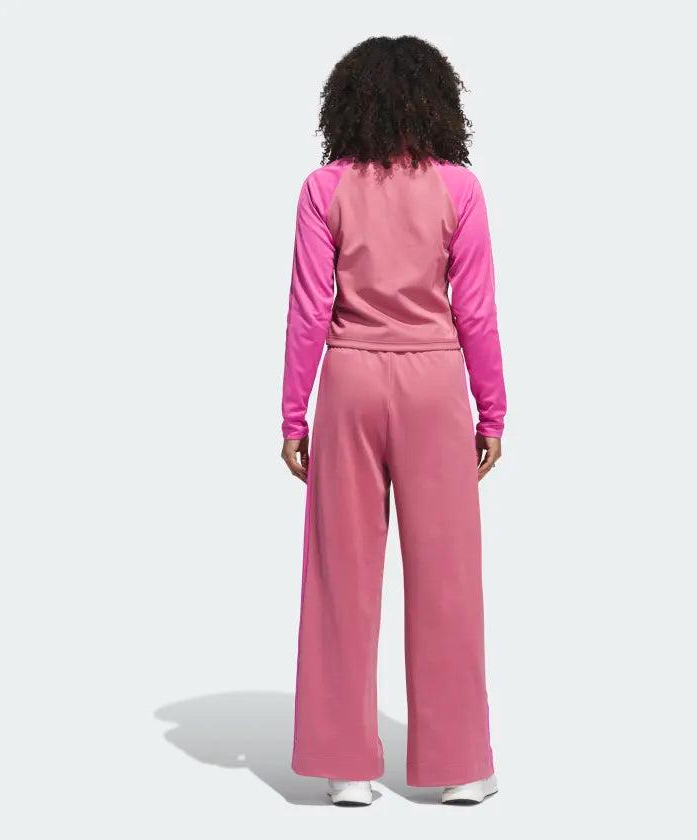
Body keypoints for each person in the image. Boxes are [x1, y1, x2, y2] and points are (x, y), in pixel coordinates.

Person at [279, 36, 506, 807]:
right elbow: (476, 310)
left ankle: (346, 767)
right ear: (437, 103)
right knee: (447, 578)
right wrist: (493, 410)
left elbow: (308, 310)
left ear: (348, 104)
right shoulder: (458, 189)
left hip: (348, 381)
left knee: (340, 576)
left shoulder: (324, 188)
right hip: (434, 384)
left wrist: (292, 415)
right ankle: (461, 766)